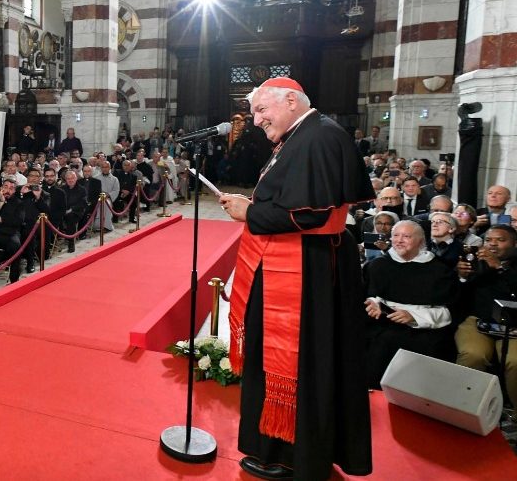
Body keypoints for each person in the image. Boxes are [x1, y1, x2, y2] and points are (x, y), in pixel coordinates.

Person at [219, 77, 373, 480]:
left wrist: (248, 212)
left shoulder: (318, 137)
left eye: (261, 111)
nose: (255, 121)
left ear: (291, 100)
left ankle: (294, 457)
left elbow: (311, 214)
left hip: (306, 275)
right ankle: (277, 447)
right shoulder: (300, 136)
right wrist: (254, 207)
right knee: (277, 359)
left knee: (300, 363)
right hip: (297, 263)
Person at [363, 220, 457, 387]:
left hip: (425, 329)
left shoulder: (439, 270)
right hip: (383, 326)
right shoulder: (377, 265)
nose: (399, 240)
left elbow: (448, 311)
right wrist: (373, 302)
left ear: (421, 241)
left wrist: (413, 316)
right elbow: (369, 294)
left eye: (406, 236)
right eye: (396, 236)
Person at [454, 225, 517, 406]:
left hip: (514, 324)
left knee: (514, 360)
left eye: (500, 240)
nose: (493, 245)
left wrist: (499, 268)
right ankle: (464, 407)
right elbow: (458, 298)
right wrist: (462, 277)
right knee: (473, 354)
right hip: (479, 321)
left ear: (515, 243)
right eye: (488, 240)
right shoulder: (475, 262)